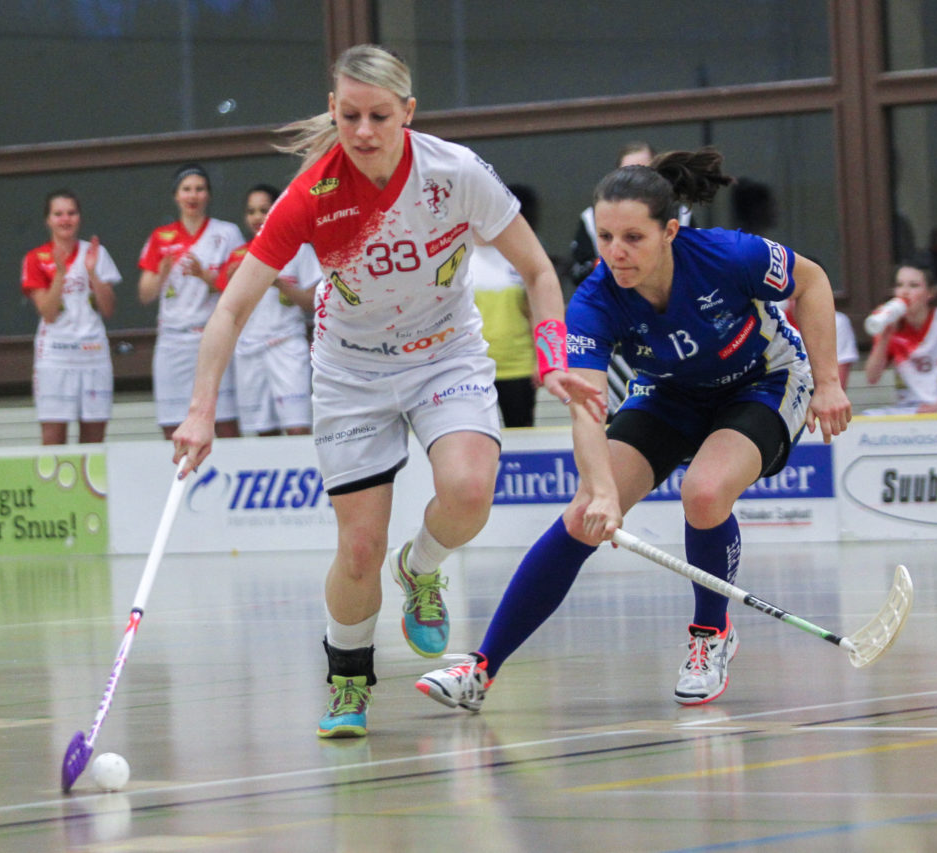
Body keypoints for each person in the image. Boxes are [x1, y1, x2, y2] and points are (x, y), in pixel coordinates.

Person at [170, 44, 603, 738]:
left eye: (378, 115)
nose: (363, 131)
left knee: (468, 491)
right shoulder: (311, 195)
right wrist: (199, 412)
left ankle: (422, 567)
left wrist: (552, 355)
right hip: (350, 372)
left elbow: (538, 270)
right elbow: (230, 307)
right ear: (334, 112)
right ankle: (348, 677)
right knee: (359, 547)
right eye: (349, 116)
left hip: (445, 355)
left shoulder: (455, 173)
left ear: (408, 113)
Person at [418, 147, 851, 712]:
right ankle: (481, 669)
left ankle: (711, 636)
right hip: (669, 391)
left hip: (762, 380)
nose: (616, 254)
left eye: (633, 238)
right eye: (604, 237)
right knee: (580, 517)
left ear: (670, 231)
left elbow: (812, 282)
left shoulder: (728, 254)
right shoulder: (596, 300)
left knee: (704, 491)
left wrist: (829, 382)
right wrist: (599, 490)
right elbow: (586, 407)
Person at [138, 164, 246, 440]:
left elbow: (239, 286)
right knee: (172, 424)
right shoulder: (161, 237)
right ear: (176, 195)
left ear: (208, 195)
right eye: (186, 189)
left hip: (212, 336)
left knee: (223, 421)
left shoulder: (227, 233)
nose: (193, 195)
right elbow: (145, 294)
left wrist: (204, 275)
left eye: (199, 189)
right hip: (173, 340)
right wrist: (162, 272)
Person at [219, 183, 320, 436]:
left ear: (277, 210)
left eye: (264, 210)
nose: (257, 217)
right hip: (249, 350)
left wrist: (278, 282)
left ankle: (305, 475)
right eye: (251, 211)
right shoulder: (239, 255)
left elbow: (314, 303)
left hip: (286, 346)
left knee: (297, 427)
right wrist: (231, 283)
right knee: (262, 431)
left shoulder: (299, 249)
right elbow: (226, 309)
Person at [20, 190, 119, 445]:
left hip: (93, 353)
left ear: (79, 218)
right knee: (53, 436)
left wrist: (92, 273)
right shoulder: (36, 258)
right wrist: (61, 274)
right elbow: (48, 313)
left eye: (71, 213)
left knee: (94, 439)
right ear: (48, 220)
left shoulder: (96, 253)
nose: (65, 219)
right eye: (58, 214)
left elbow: (108, 309)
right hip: (56, 355)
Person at [569, 142, 692, 287]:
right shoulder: (592, 217)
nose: (635, 180)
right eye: (606, 236)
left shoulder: (680, 214)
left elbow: (694, 265)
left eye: (634, 237)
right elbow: (578, 274)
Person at [863, 263, 937, 413]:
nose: (904, 292)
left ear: (930, 293)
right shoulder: (891, 324)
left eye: (913, 286)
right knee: (869, 416)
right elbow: (872, 377)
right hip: (907, 408)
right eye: (899, 285)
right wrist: (883, 339)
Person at [470, 184, 541, 427]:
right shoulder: (458, 258)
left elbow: (535, 311)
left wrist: (541, 359)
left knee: (522, 432)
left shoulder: (519, 256)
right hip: (473, 368)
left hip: (518, 366)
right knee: (475, 439)